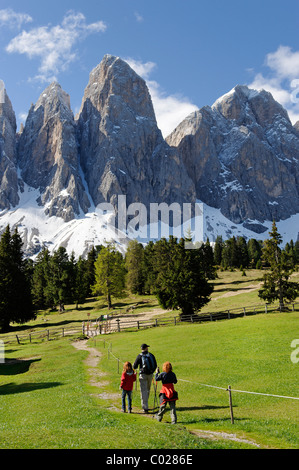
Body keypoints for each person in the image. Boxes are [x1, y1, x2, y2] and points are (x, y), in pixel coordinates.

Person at [133, 343, 157, 413]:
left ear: (141, 349)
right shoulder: (151, 355)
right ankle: (146, 404)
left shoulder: (139, 356)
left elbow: (135, 366)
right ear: (146, 348)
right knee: (148, 390)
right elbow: (155, 365)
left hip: (143, 375)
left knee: (143, 391)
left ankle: (145, 407)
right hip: (150, 375)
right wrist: (152, 371)